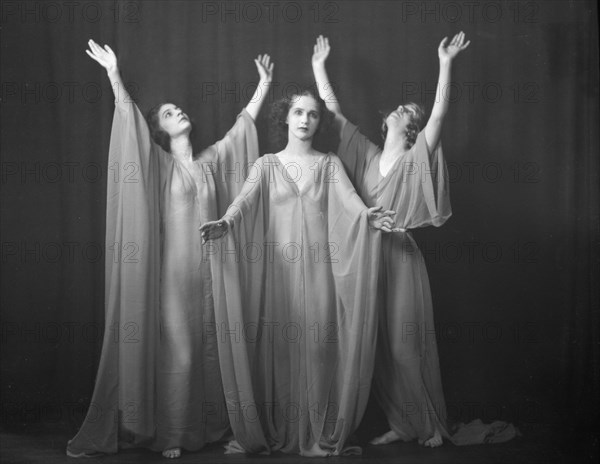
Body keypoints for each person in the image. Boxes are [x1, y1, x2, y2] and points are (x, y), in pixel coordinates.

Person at [66, 39, 273, 459]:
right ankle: (173, 435)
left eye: (176, 108)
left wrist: (264, 86)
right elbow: (130, 124)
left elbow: (241, 132)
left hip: (212, 275)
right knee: (180, 350)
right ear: (160, 129)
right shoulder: (158, 164)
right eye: (166, 112)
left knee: (211, 348)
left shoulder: (211, 161)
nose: (176, 110)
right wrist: (113, 75)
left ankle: (213, 425)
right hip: (173, 277)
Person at [199, 89, 395, 456]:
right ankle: (284, 430)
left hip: (320, 270)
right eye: (299, 112)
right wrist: (226, 222)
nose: (305, 120)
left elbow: (352, 202)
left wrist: (367, 215)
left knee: (320, 346)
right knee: (282, 350)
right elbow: (243, 202)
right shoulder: (267, 164)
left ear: (319, 122)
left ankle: (317, 433)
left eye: (314, 114)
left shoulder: (330, 163)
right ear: (285, 118)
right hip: (280, 273)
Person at [311, 33, 470, 447]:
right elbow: (332, 112)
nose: (402, 110)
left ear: (411, 126)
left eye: (408, 110)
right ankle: (402, 425)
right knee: (373, 348)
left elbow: (438, 114)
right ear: (386, 122)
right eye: (398, 108)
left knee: (403, 348)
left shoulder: (418, 157)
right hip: (363, 255)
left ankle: (430, 426)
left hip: (399, 258)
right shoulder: (364, 153)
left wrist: (446, 62)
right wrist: (318, 68)